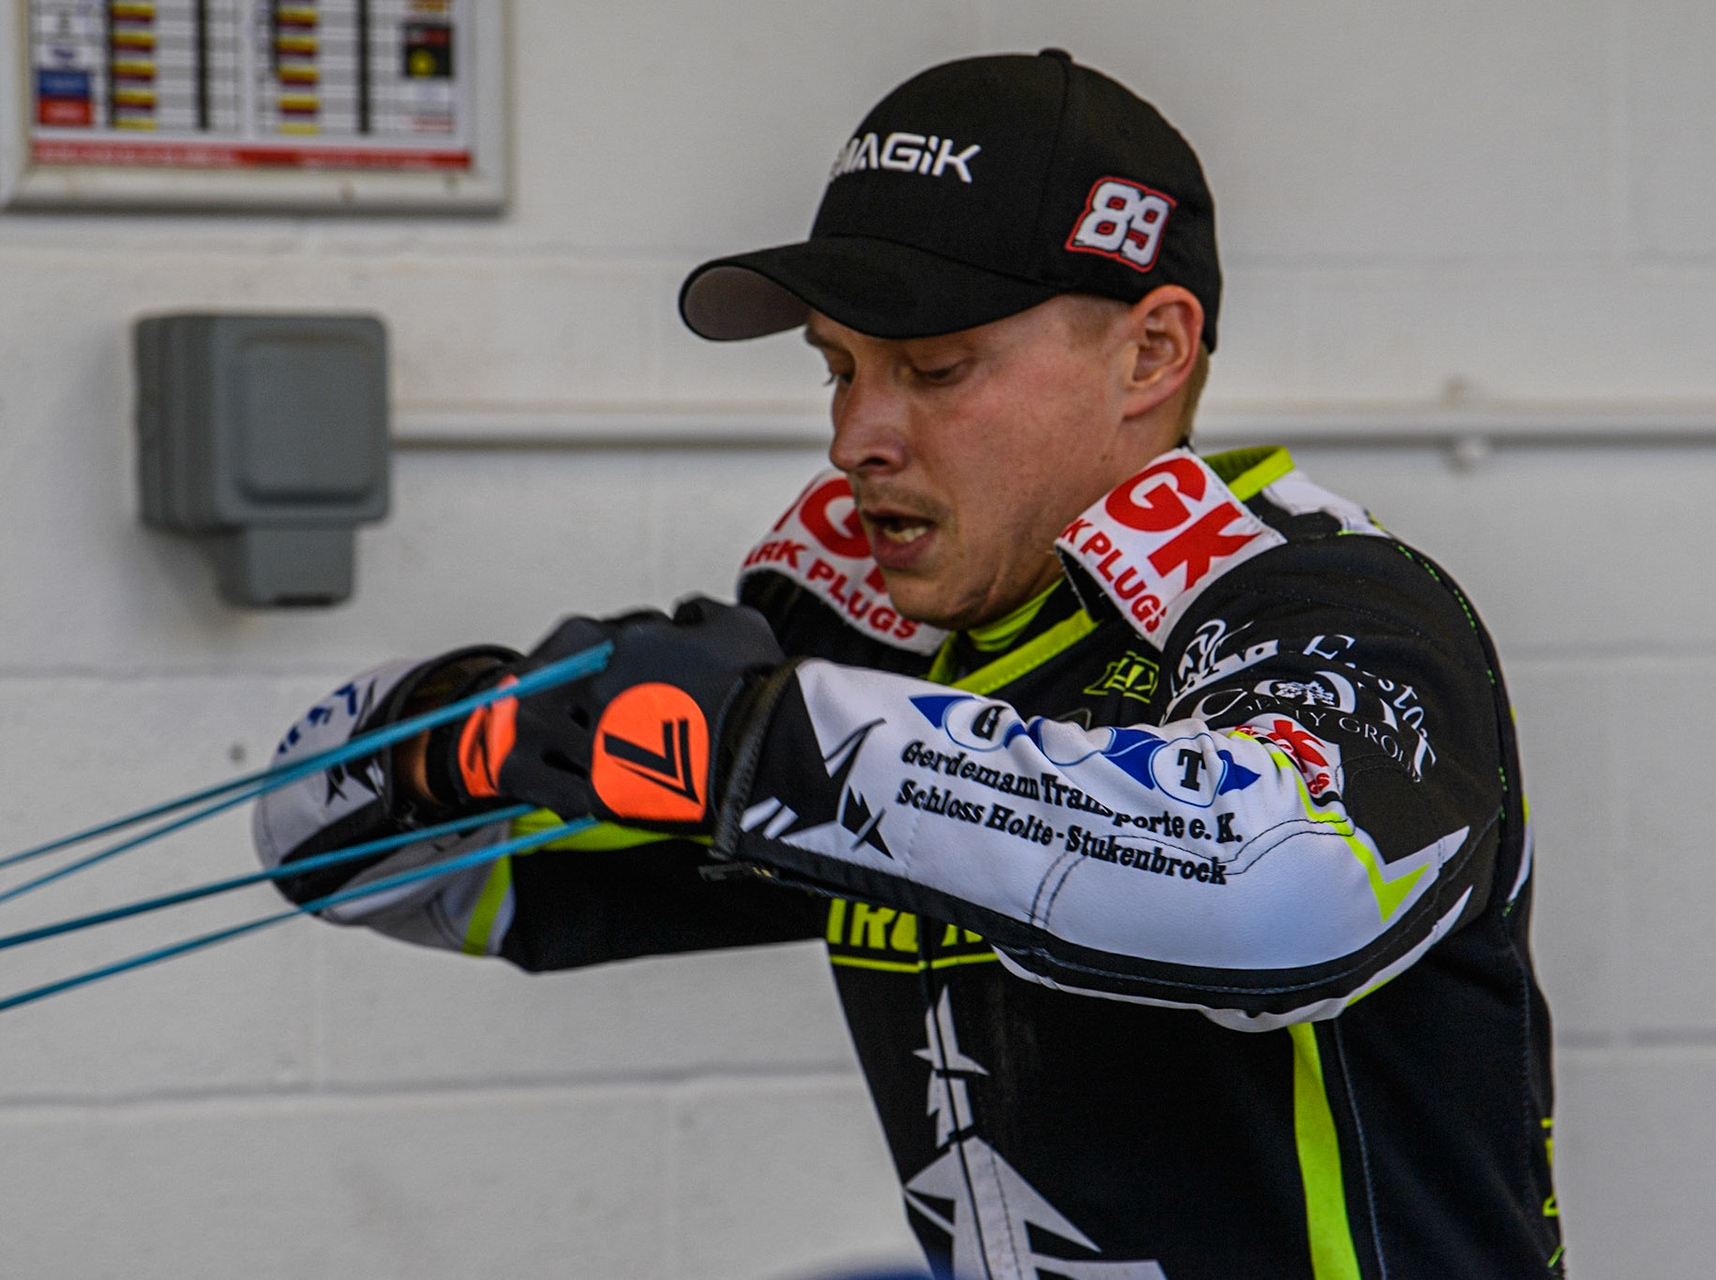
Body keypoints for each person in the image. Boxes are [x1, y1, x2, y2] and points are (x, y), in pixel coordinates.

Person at [255, 51, 1563, 1279]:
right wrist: (452, 732)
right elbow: (333, 849)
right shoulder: (904, 651)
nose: (857, 439)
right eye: (840, 369)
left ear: (1151, 352)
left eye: (936, 368)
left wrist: (784, 744)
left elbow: (1278, 885)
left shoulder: (1330, 600)